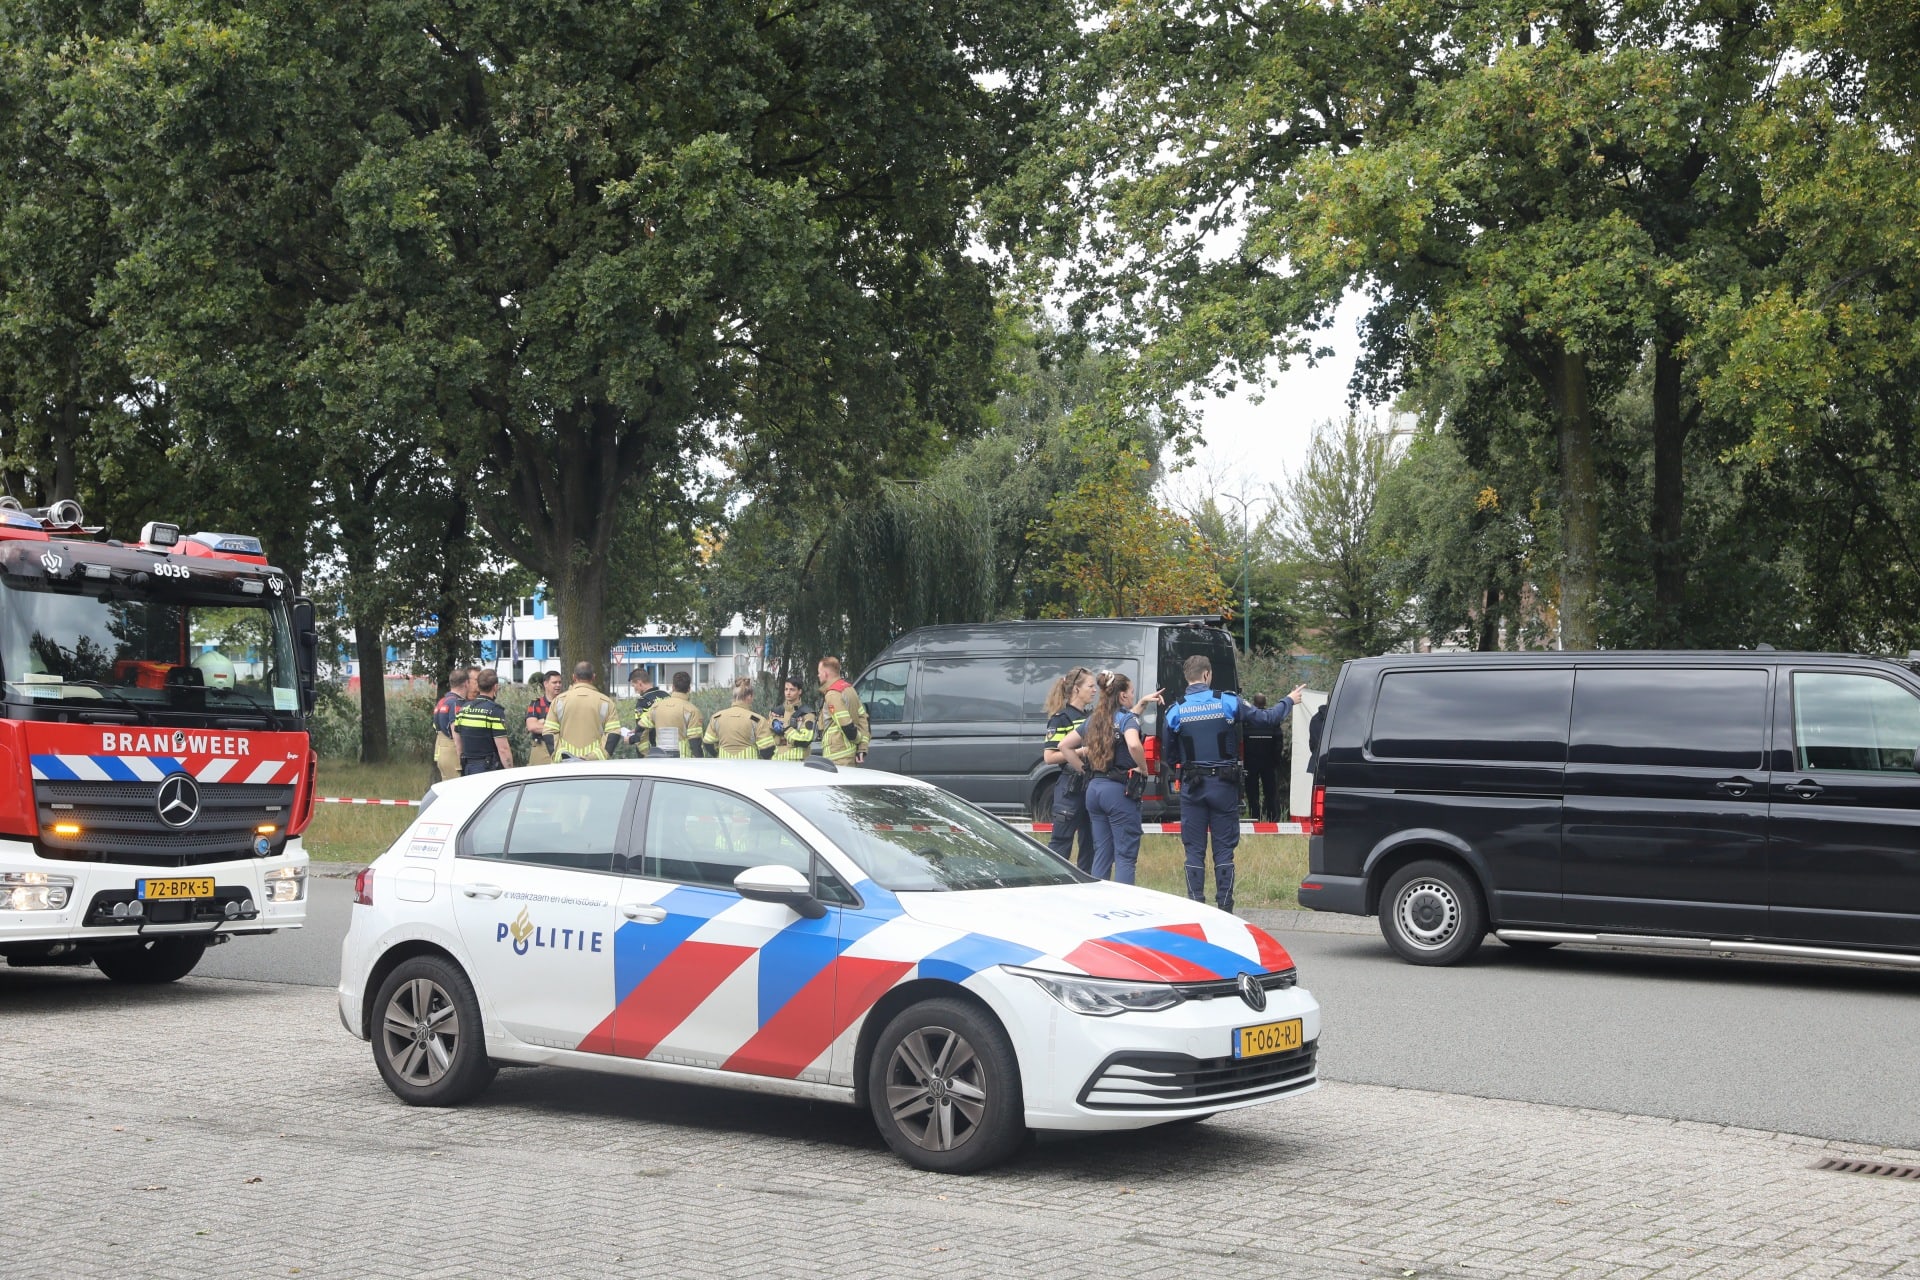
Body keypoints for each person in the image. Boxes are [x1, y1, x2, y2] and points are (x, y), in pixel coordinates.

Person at [1163, 655, 1304, 914]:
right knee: (1224, 850)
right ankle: (1225, 908)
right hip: (1223, 785)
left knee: (1193, 850)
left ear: (1187, 677)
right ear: (1207, 674)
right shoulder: (1227, 701)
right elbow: (1267, 718)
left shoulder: (1175, 710)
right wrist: (1289, 700)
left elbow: (1169, 755)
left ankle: (1196, 907)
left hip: (1193, 787)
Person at [1060, 671, 1161, 884]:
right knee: (1125, 855)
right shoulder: (1127, 719)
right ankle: (1125, 903)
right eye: (1132, 692)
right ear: (1122, 695)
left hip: (1094, 789)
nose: (1133, 696)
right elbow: (1133, 744)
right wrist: (1143, 768)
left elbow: (1064, 746)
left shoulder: (1093, 720)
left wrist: (1084, 770)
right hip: (1118, 792)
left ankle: (1100, 900)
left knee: (1102, 852)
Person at [1041, 666, 1097, 872]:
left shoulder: (1092, 716)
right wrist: (1082, 751)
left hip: (1091, 785)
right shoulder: (1061, 718)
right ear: (1076, 689)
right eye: (1090, 686)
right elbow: (1049, 757)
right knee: (1061, 843)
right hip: (1070, 788)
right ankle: (1053, 882)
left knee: (1091, 844)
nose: (1095, 690)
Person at [543, 661, 624, 762]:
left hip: (564, 765)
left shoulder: (559, 701)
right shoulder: (606, 702)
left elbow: (549, 732)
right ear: (593, 677)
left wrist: (561, 755)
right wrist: (596, 756)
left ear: (574, 677)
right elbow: (613, 733)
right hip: (595, 764)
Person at [452, 669, 514, 773]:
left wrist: (463, 765)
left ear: (478, 686)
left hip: (468, 766)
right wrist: (510, 772)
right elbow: (503, 749)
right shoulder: (494, 711)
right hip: (487, 768)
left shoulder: (463, 709)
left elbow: (458, 743)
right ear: (495, 687)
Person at [704, 677, 778, 759]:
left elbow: (708, 743)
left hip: (724, 765)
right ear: (749, 696)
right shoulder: (757, 720)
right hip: (749, 765)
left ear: (734, 696)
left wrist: (718, 754)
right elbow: (767, 750)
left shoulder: (716, 717)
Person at [817, 656, 869, 767]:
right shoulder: (849, 689)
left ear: (825, 674)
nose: (818, 675)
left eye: (819, 672)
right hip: (849, 754)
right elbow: (863, 719)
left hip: (837, 756)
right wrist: (862, 747)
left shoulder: (832, 694)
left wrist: (858, 739)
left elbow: (846, 726)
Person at [639, 670, 705, 757]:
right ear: (689, 689)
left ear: (673, 687)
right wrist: (700, 761)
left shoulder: (656, 707)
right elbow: (695, 742)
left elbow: (641, 729)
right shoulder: (693, 711)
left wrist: (645, 753)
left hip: (660, 759)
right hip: (684, 762)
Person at [1242, 692, 1283, 822]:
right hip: (1269, 763)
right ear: (1265, 703)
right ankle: (1272, 818)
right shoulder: (1272, 720)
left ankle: (1255, 818)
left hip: (1250, 762)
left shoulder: (1246, 720)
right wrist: (1276, 760)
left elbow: (1241, 741)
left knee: (1252, 792)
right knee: (1270, 792)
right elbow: (1279, 742)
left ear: (1254, 703)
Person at [431, 667, 474, 783]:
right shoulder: (457, 703)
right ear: (466, 683)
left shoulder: (441, 702)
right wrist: (462, 759)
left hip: (441, 753)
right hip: (453, 754)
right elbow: (456, 733)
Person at [770, 676, 818, 761]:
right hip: (777, 760)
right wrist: (772, 723)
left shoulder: (807, 713)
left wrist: (785, 728)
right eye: (786, 689)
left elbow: (805, 740)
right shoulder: (775, 712)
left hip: (797, 761)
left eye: (792, 690)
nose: (788, 693)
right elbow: (767, 736)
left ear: (799, 691)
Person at [524, 670, 563, 766]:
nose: (558, 685)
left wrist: (543, 722)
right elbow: (532, 726)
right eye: (554, 682)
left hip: (562, 747)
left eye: (559, 682)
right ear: (545, 684)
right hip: (541, 747)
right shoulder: (536, 704)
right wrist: (558, 727)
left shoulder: (565, 703)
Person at [627, 668, 666, 754]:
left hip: (653, 750)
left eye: (634, 686)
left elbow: (642, 731)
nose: (635, 690)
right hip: (670, 744)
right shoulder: (666, 695)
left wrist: (630, 739)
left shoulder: (643, 702)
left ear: (639, 683)